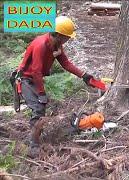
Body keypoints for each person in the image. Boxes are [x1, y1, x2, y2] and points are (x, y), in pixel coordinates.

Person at [12, 16, 95, 158]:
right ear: (57, 34)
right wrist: (41, 93)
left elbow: (66, 64)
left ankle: (35, 136)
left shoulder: (56, 45)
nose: (67, 40)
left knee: (41, 107)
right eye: (66, 38)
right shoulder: (41, 45)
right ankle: (33, 146)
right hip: (25, 79)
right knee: (38, 108)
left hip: (34, 78)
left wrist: (84, 75)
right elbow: (36, 71)